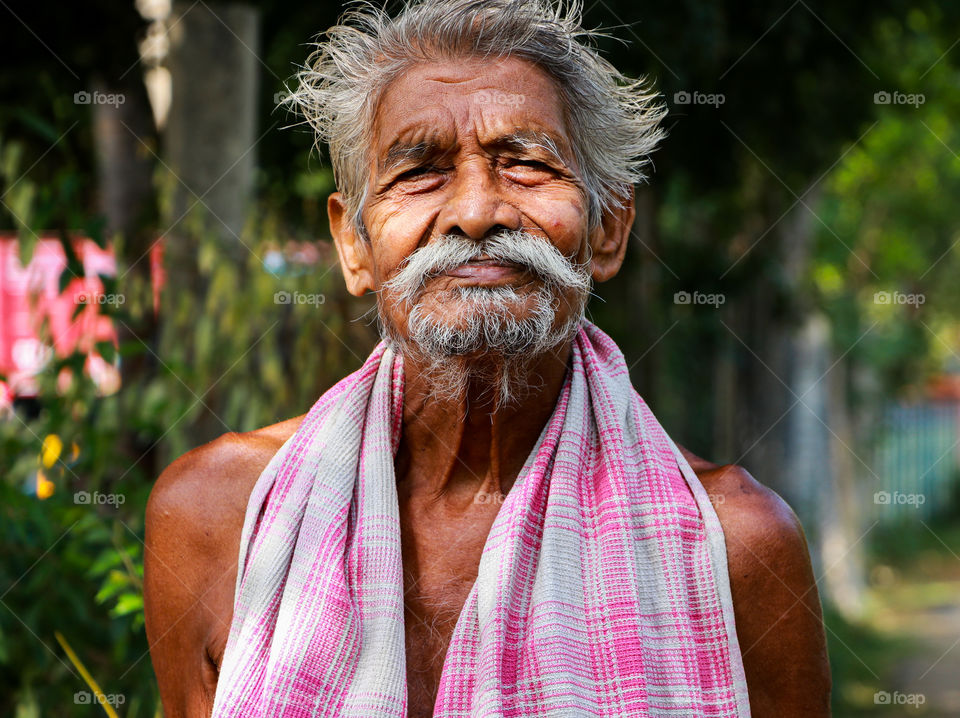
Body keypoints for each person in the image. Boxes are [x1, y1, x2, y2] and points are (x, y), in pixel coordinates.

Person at [143, 1, 830, 716]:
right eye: (421, 172)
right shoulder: (216, 518)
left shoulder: (737, 549)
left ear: (608, 231)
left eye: (527, 165)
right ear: (354, 244)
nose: (476, 211)